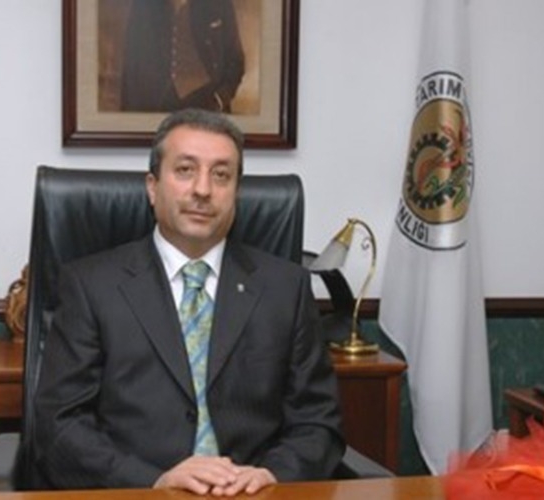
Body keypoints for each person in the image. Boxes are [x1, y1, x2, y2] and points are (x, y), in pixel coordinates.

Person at [33, 108, 344, 495]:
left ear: (236, 192)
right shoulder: (90, 286)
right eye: (185, 170)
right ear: (152, 187)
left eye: (221, 175)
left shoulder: (286, 288)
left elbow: (318, 422)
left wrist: (273, 474)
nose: (203, 189)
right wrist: (151, 481)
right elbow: (59, 426)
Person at [120, 0, 245, 113]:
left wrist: (219, 99)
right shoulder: (143, 5)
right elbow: (132, 66)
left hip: (206, 103)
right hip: (156, 104)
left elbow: (236, 62)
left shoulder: (219, 4)